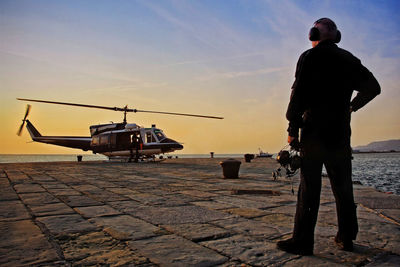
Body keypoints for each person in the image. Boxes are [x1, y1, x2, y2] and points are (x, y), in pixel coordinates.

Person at [277, 18, 380, 255]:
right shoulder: (349, 59)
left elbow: (298, 96)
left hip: (313, 134)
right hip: (340, 135)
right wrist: (352, 106)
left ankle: (303, 241)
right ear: (337, 36)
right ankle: (346, 238)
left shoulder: (309, 57)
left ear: (314, 34)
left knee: (309, 188)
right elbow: (373, 87)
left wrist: (293, 129)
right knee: (344, 189)